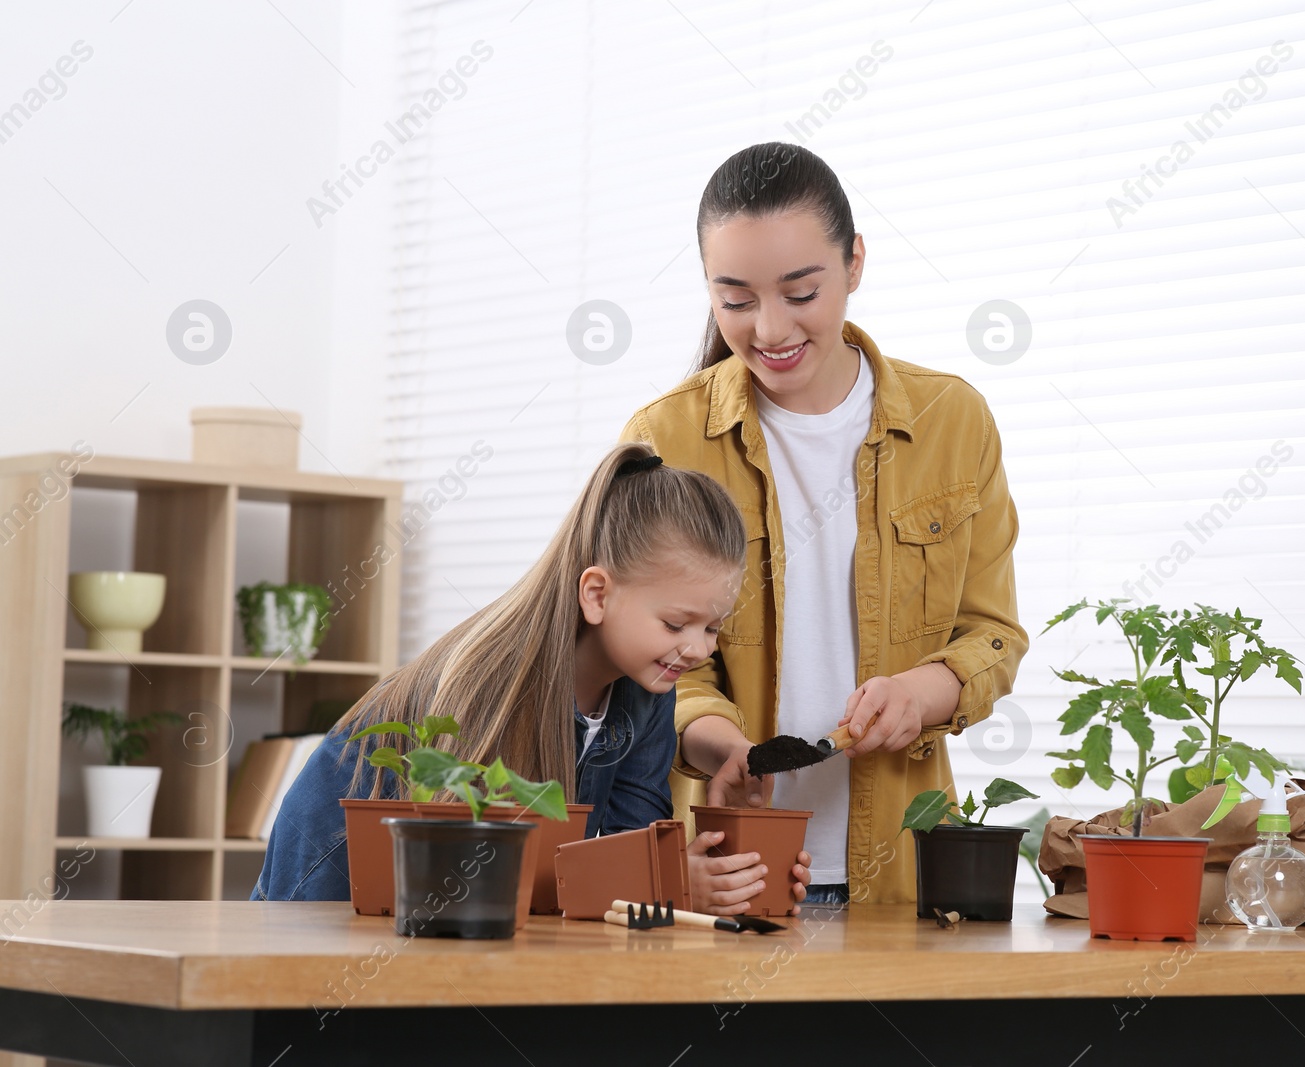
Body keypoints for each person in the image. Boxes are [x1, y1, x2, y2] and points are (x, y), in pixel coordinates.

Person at [623, 143, 1027, 906]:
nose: (770, 328)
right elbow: (640, 658)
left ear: (855, 263)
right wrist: (723, 748)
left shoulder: (954, 421)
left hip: (902, 874)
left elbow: (992, 634)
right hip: (725, 875)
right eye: (735, 300)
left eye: (800, 291)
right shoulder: (665, 438)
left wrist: (921, 689)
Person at [252, 443, 812, 914]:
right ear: (597, 594)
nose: (696, 649)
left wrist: (698, 872)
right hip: (328, 888)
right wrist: (670, 886)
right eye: (675, 623)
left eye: (714, 628)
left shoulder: (648, 694)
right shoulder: (489, 676)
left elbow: (622, 858)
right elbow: (471, 877)